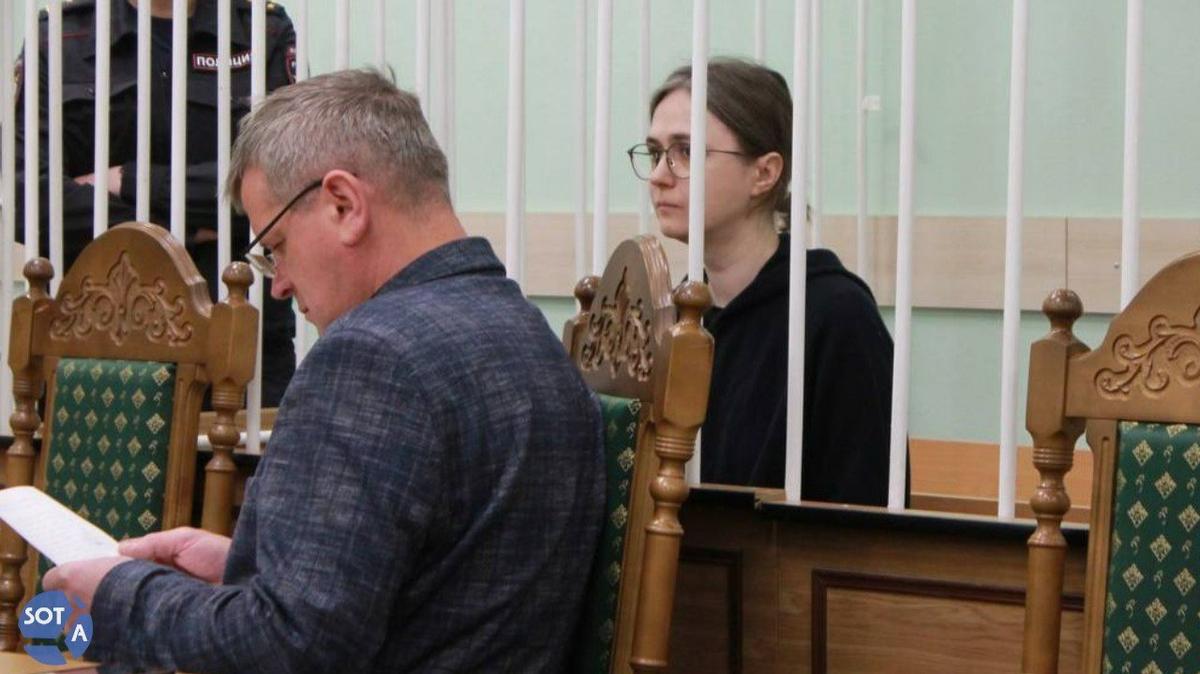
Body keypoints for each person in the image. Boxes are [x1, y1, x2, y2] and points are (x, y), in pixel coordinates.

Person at [43, 69, 606, 673]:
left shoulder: (371, 357)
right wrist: (246, 567)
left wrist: (119, 595)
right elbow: (443, 584)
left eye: (276, 246)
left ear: (344, 204)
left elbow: (291, 646)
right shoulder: (533, 339)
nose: (279, 284)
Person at [627, 57, 897, 505]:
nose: (658, 176)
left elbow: (864, 516)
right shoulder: (673, 318)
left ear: (765, 173)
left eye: (687, 152)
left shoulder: (836, 317)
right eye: (656, 153)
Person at [12, 0, 298, 404]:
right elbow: (31, 203)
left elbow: (283, 186)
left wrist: (126, 180)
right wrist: (188, 230)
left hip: (238, 344)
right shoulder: (61, 38)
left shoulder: (260, 32)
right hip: (96, 347)